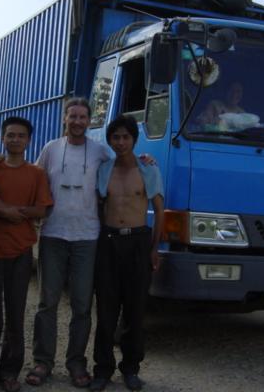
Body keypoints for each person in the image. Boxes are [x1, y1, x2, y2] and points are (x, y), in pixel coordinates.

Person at [25, 97, 110, 388]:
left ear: (90, 120)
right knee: (46, 303)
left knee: (82, 305)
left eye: (82, 117)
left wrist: (145, 161)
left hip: (87, 237)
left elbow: (122, 168)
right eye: (72, 116)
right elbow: (32, 179)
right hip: (53, 235)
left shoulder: (100, 151)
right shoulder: (50, 149)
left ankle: (76, 363)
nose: (77, 121)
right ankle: (43, 361)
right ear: (65, 119)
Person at [0, 117, 53, 392]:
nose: (15, 139)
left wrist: (10, 209)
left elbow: (41, 210)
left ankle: (9, 372)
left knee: (15, 314)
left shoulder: (36, 174)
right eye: (10, 135)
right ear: (3, 138)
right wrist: (5, 212)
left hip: (20, 252)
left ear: (28, 141)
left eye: (20, 136)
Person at [89, 115, 164, 392]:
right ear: (109, 140)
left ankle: (131, 369)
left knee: (135, 310)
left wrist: (155, 248)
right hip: (108, 243)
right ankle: (102, 369)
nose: (120, 142)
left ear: (134, 139)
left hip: (138, 243)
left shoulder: (148, 170)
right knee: (106, 310)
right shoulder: (103, 169)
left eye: (126, 137)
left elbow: (158, 211)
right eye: (115, 137)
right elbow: (97, 204)